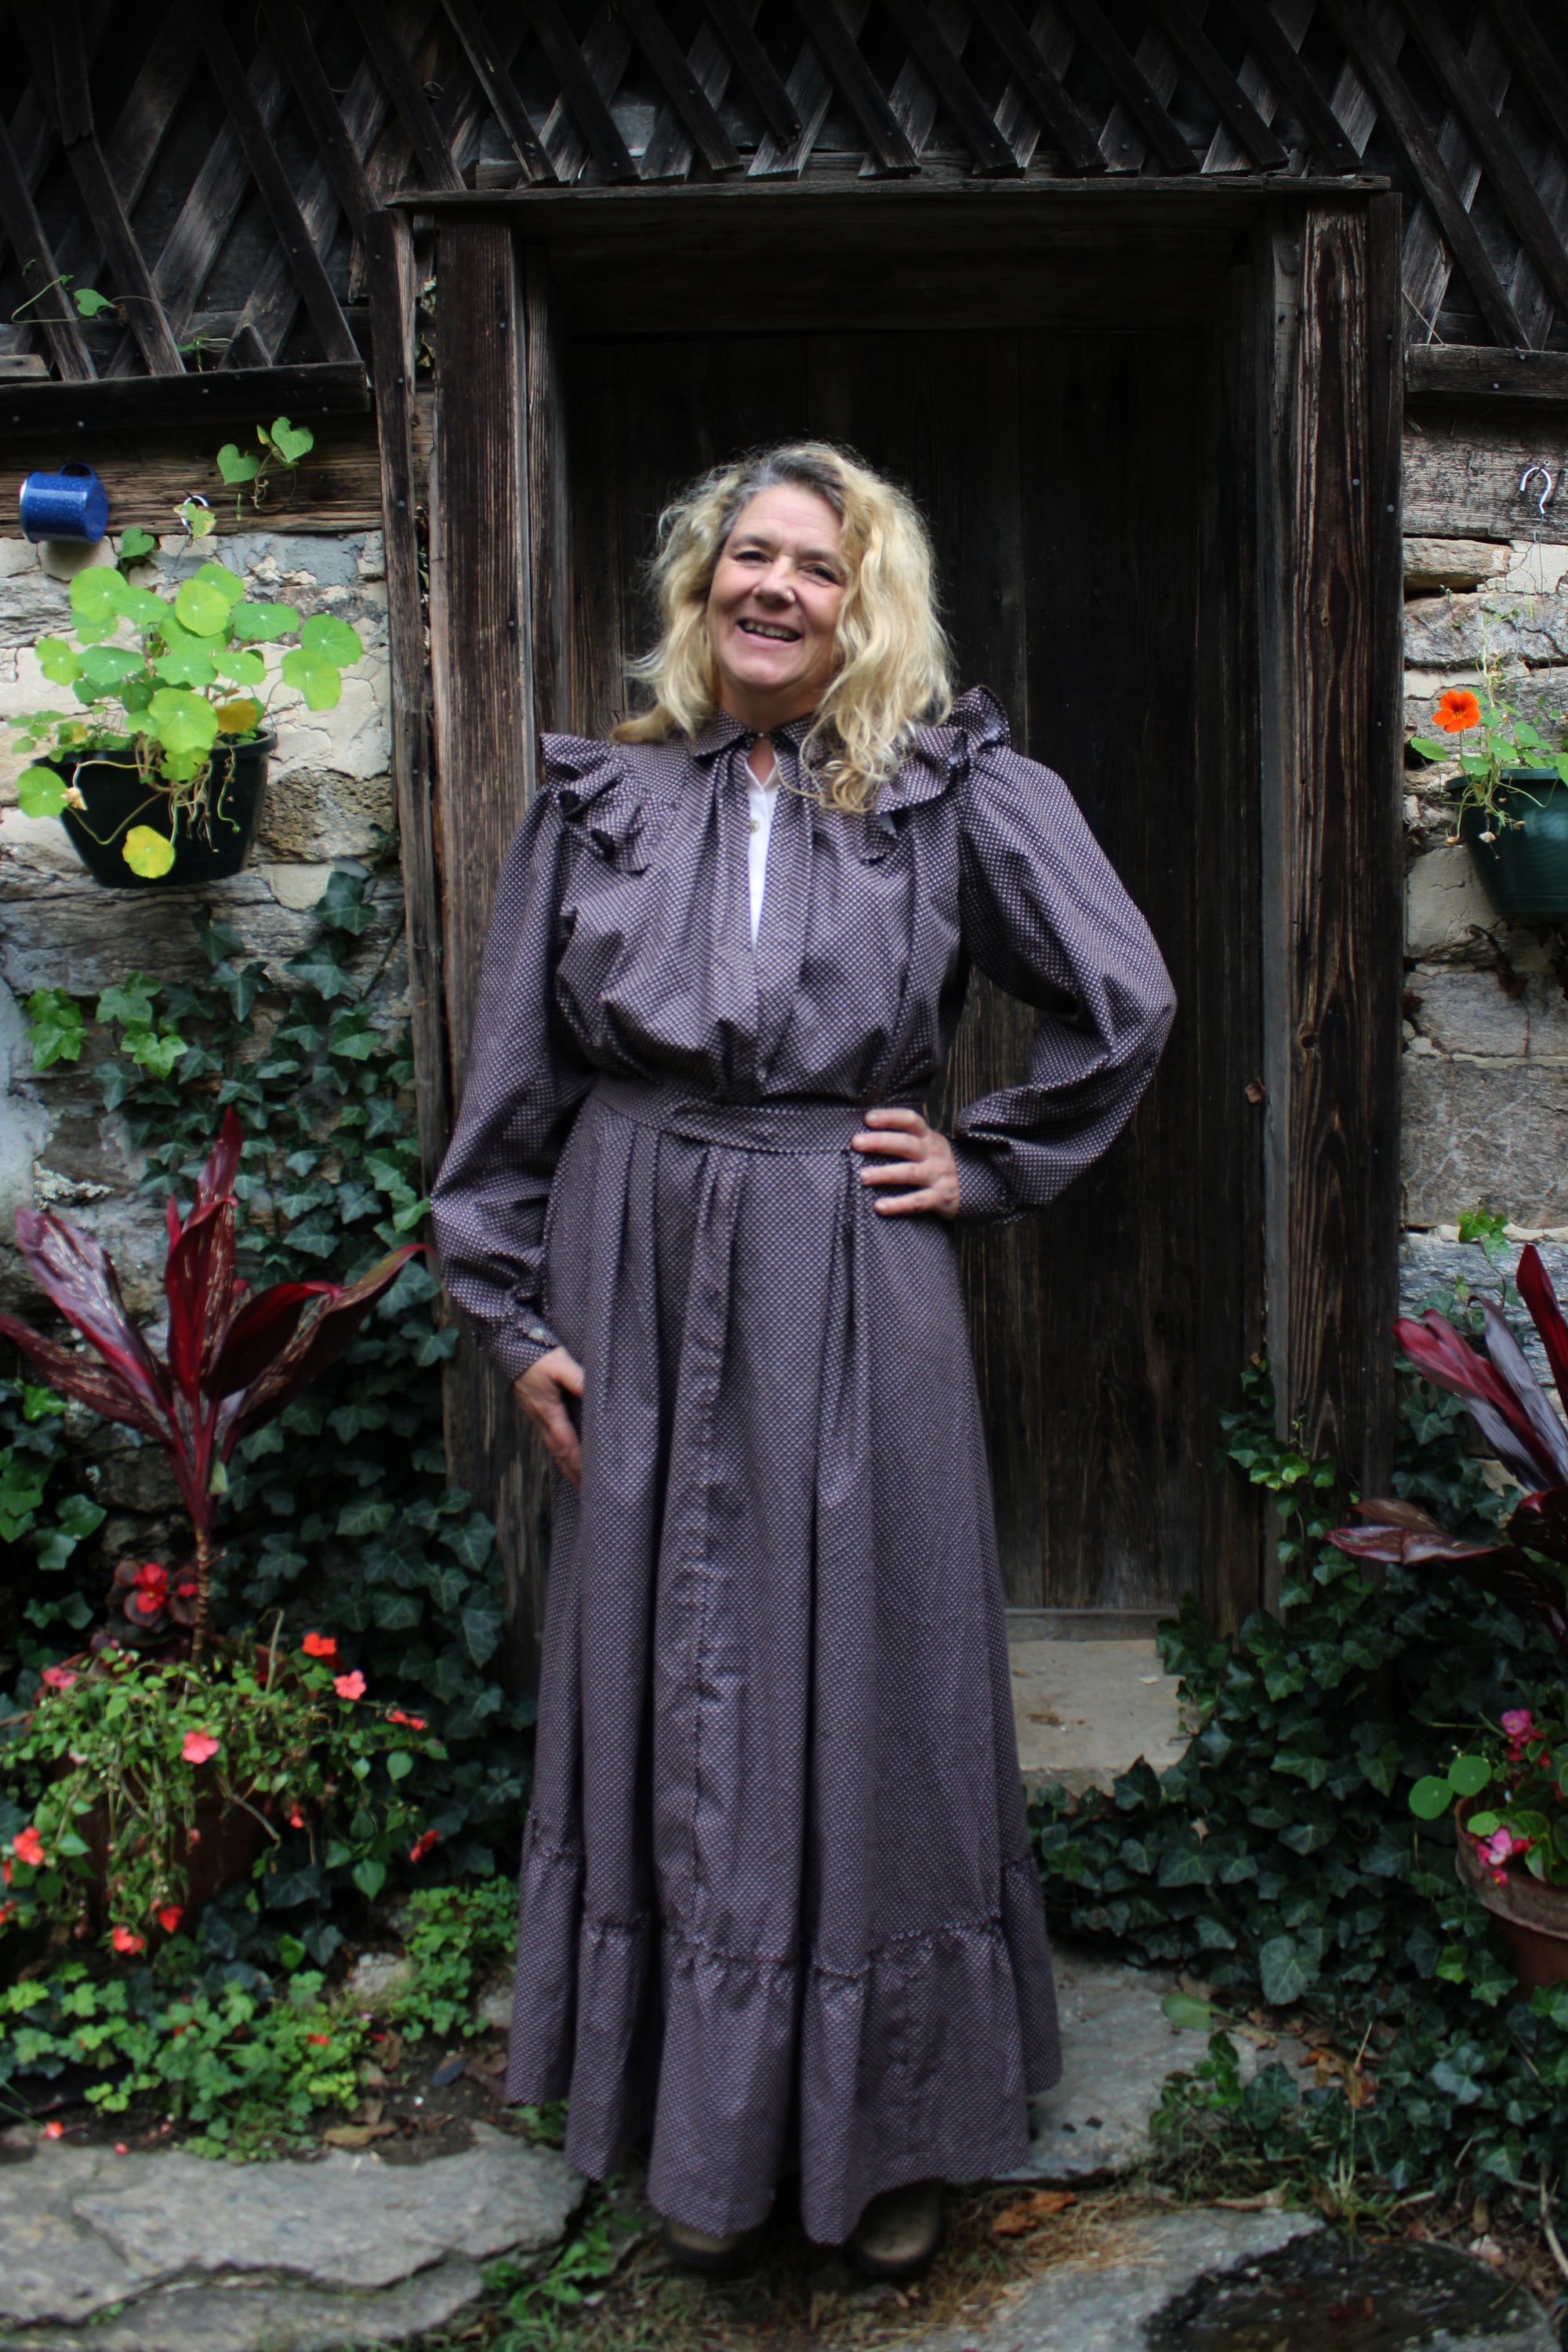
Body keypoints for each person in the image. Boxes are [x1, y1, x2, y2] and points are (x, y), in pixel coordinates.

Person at [432, 441, 1175, 2278]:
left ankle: (889, 2128)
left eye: (814, 569)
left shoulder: (943, 792)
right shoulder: (599, 797)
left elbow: (1121, 993)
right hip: (630, 1257)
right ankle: (692, 2135)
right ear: (703, 590)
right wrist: (511, 1317)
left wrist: (983, 1154)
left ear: (865, 607)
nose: (772, 589)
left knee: (879, 1665)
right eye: (743, 559)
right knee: (669, 1670)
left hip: (850, 1260)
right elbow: (512, 1082)